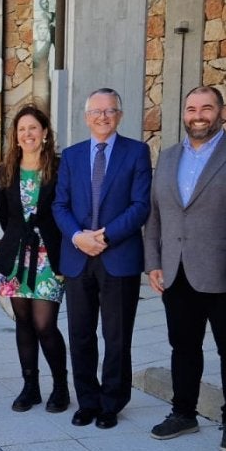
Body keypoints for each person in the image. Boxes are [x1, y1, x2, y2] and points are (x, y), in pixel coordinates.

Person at [144, 86, 226, 451]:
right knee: (183, 347)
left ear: (221, 112)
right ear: (184, 114)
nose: (198, 115)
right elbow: (155, 215)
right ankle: (183, 413)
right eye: (191, 108)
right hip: (175, 271)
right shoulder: (167, 158)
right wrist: (152, 262)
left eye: (206, 108)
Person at [54, 88, 151, 429]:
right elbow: (59, 205)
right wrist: (80, 237)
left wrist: (105, 237)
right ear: (86, 117)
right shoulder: (71, 155)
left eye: (110, 111)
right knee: (80, 333)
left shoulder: (137, 152)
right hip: (78, 256)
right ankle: (87, 401)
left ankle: (111, 402)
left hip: (118, 256)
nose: (103, 116)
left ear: (120, 116)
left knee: (117, 335)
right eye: (96, 111)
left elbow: (140, 206)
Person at [0, 105, 68, 412]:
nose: (28, 134)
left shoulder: (60, 168)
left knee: (44, 324)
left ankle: (60, 386)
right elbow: (5, 216)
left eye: (33, 128)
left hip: (49, 257)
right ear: (16, 136)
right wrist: (18, 240)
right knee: (23, 321)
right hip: (16, 258)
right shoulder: (5, 170)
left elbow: (65, 212)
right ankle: (30, 387)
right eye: (22, 129)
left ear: (45, 133)